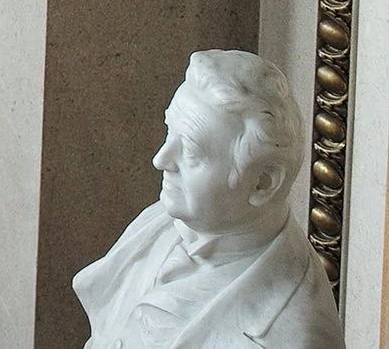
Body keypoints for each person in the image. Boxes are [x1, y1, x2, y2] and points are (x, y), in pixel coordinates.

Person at [73, 49, 341, 348]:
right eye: (168, 131)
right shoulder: (158, 224)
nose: (160, 160)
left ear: (262, 182)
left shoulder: (290, 334)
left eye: (189, 150)